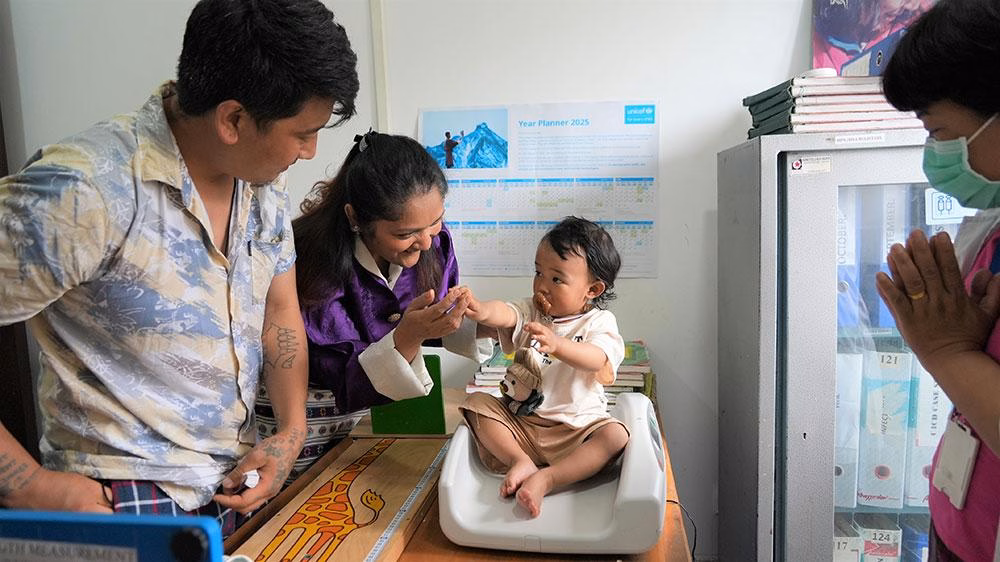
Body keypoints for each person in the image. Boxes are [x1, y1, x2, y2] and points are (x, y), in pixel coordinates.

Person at [0, 0, 359, 538]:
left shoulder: (262, 182)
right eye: (302, 133)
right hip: (122, 495)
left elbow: (279, 308)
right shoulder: (86, 189)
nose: (310, 151)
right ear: (233, 119)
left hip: (231, 487)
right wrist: (27, 485)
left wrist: (289, 432)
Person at [259, 131, 492, 478]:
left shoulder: (433, 240)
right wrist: (407, 337)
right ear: (355, 218)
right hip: (301, 412)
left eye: (435, 222)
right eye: (405, 234)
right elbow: (338, 370)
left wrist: (488, 321)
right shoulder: (309, 258)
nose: (426, 242)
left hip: (371, 409)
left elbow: (435, 318)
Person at [876, 0, 1000, 558]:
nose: (935, 150)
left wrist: (949, 352)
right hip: (958, 524)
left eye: (939, 130)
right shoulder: (990, 229)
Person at [458, 216, 629, 518]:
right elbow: (506, 313)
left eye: (557, 279)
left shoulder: (599, 322)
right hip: (523, 423)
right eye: (538, 273)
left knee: (616, 436)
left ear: (592, 289)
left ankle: (549, 478)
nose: (542, 286)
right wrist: (482, 310)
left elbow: (597, 358)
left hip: (574, 430)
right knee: (476, 404)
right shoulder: (532, 311)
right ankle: (519, 461)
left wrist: (558, 345)